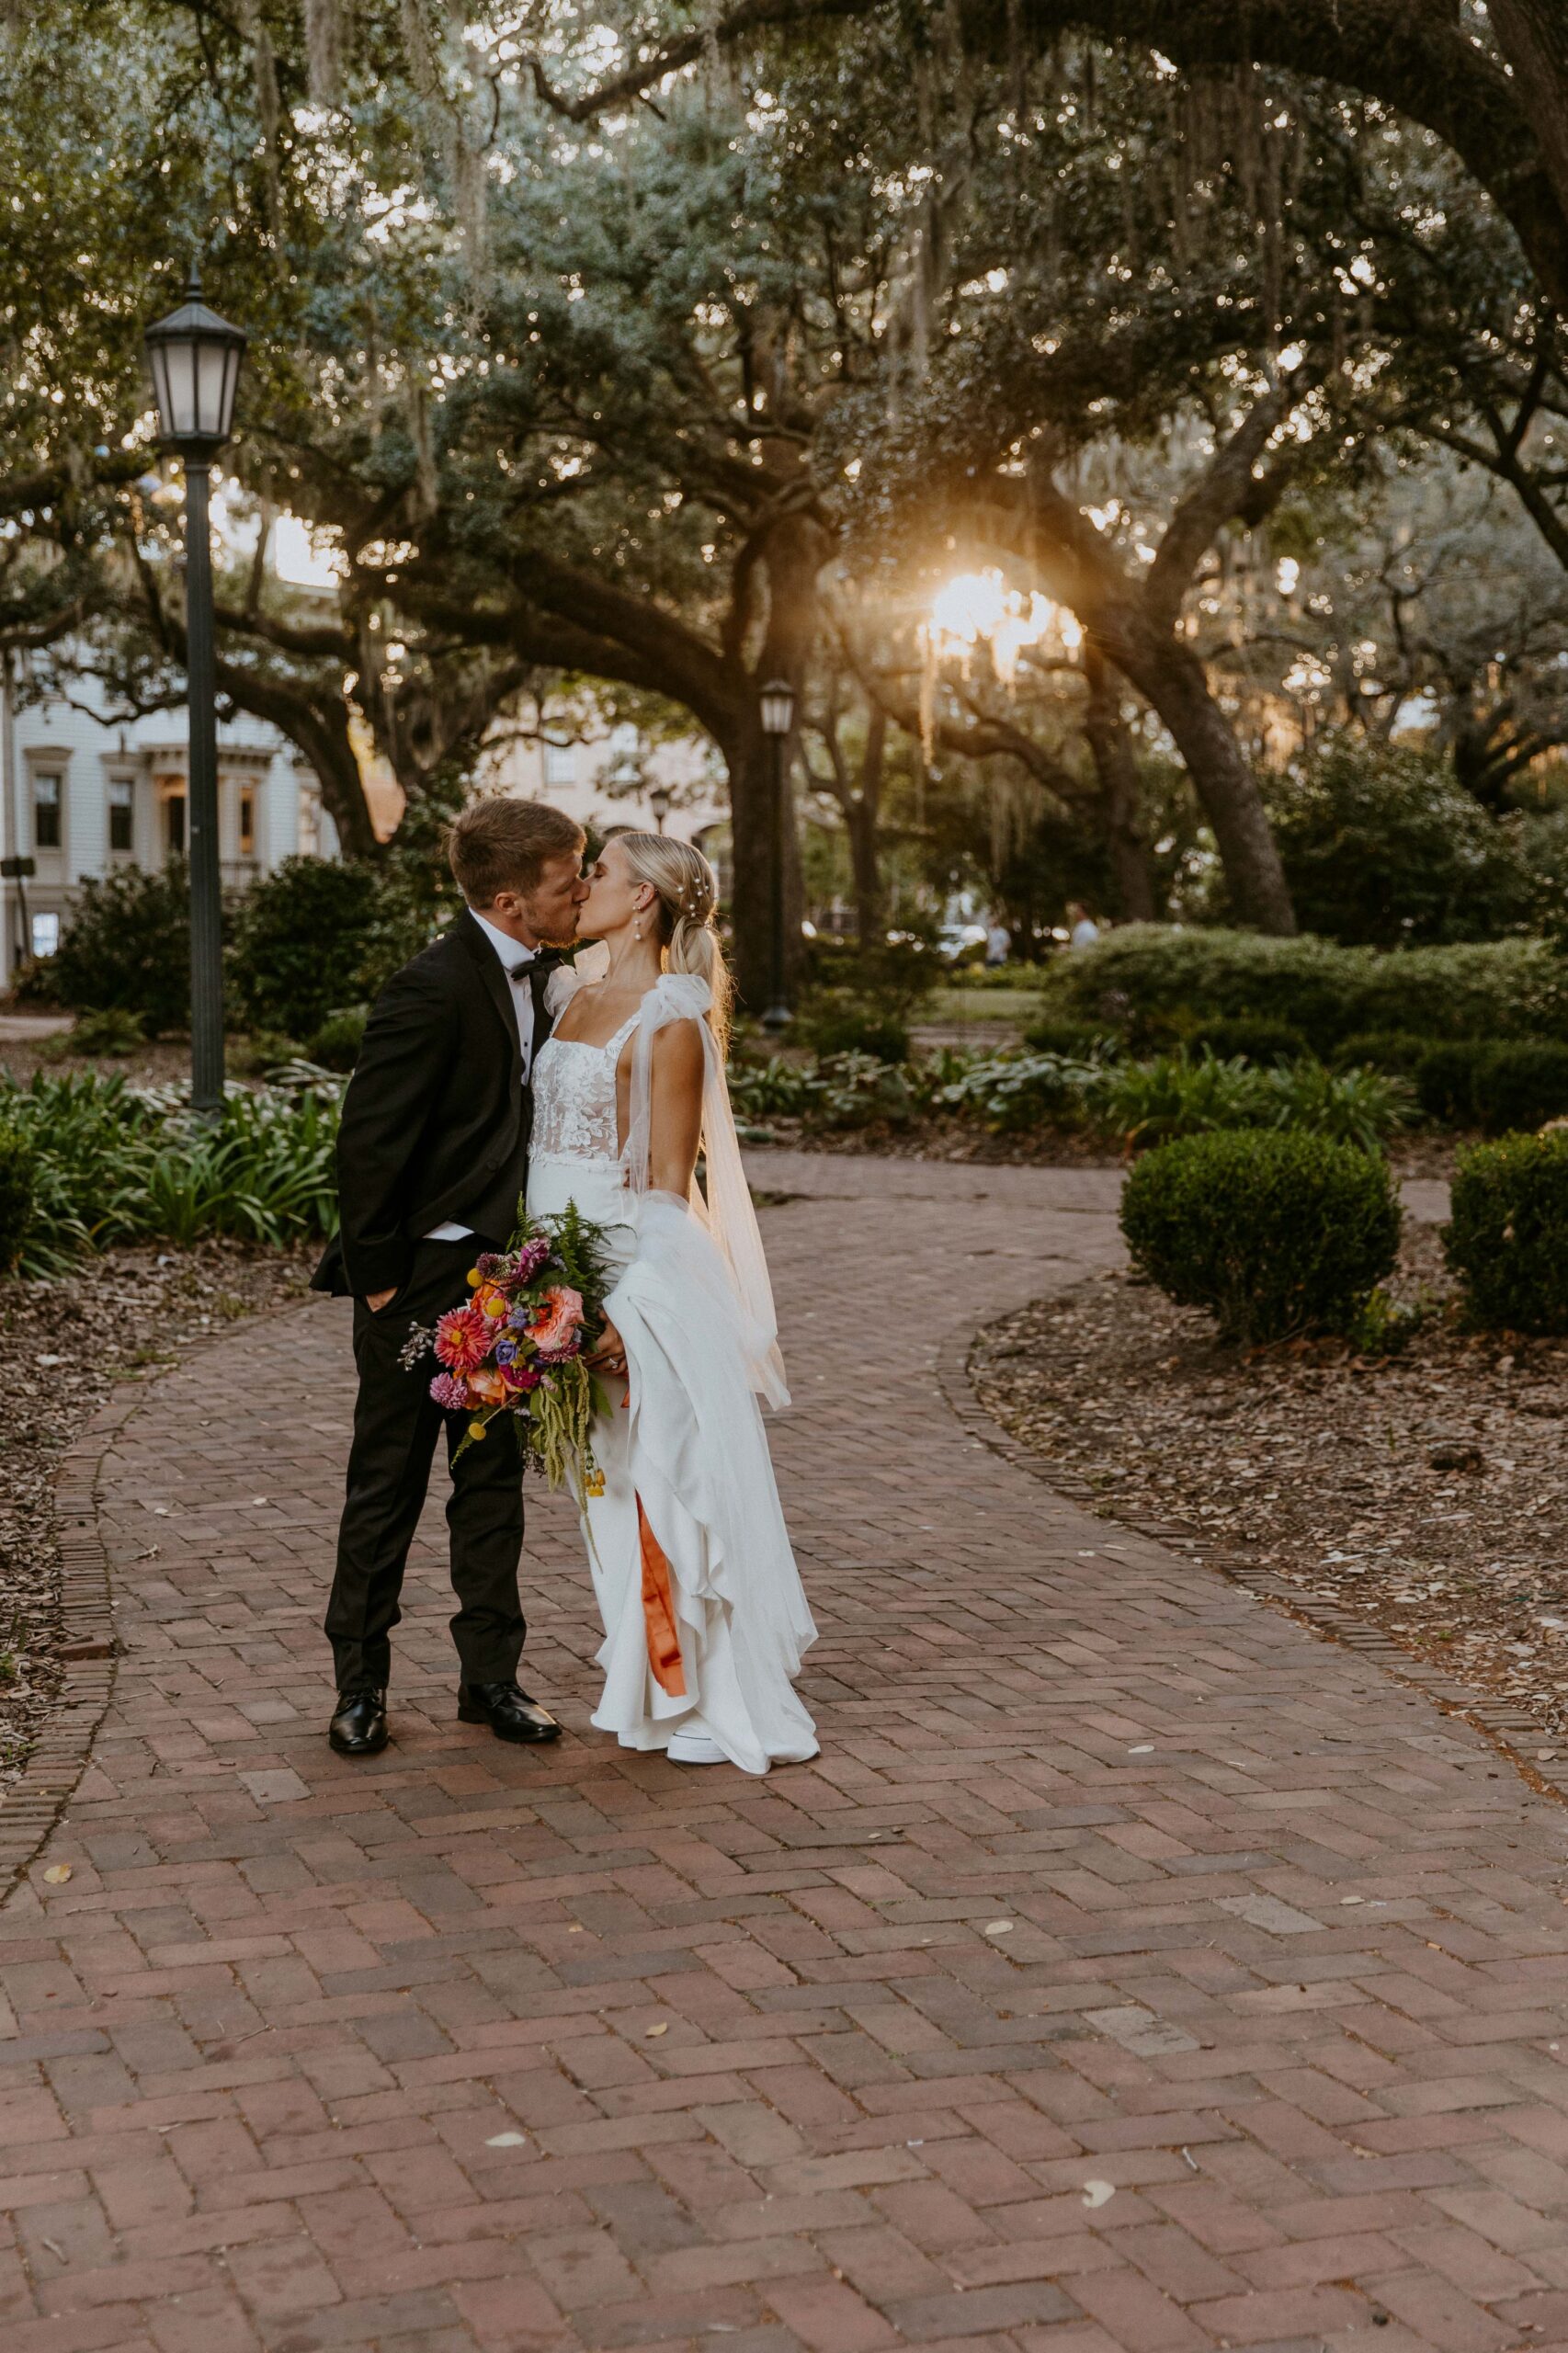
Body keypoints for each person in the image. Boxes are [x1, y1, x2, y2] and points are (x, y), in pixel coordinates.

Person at [526, 833, 818, 1772]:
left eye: (600, 873)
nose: (582, 885)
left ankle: (686, 1686)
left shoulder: (671, 1019)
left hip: (627, 1271)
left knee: (657, 1478)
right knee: (601, 1484)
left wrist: (626, 1312)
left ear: (643, 899)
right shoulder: (566, 992)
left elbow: (661, 1185)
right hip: (547, 1266)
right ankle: (648, 1681)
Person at [312, 797, 589, 1759]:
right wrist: (386, 1287)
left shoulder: (556, 981)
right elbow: (368, 1146)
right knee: (385, 1485)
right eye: (567, 882)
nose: (582, 892)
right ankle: (359, 1686)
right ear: (512, 900)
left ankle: (490, 1680)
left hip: (506, 1284)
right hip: (417, 1284)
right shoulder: (426, 987)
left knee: (490, 1486)